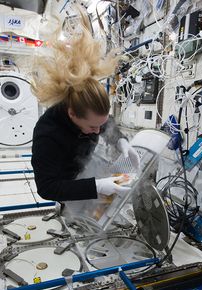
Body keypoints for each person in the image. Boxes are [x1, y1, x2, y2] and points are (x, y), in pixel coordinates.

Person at [31, 21, 140, 206]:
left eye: (101, 125)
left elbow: (104, 122)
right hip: (64, 185)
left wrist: (122, 141)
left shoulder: (91, 114)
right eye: (92, 127)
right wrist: (95, 186)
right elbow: (47, 188)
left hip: (85, 169)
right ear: (72, 114)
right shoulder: (48, 134)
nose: (99, 131)